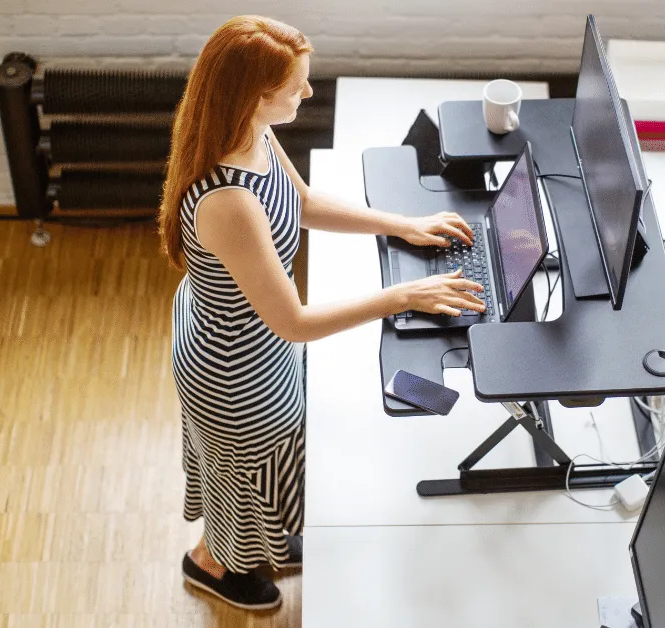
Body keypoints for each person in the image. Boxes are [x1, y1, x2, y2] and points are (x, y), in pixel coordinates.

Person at [158, 16, 486, 610]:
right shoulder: (228, 202)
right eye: (296, 87)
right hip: (233, 367)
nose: (307, 94)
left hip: (248, 336)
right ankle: (214, 565)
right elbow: (296, 323)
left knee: (272, 460)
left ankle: (259, 541)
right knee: (245, 474)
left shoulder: (250, 131)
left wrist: (401, 223)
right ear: (257, 96)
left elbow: (303, 203)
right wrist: (404, 296)